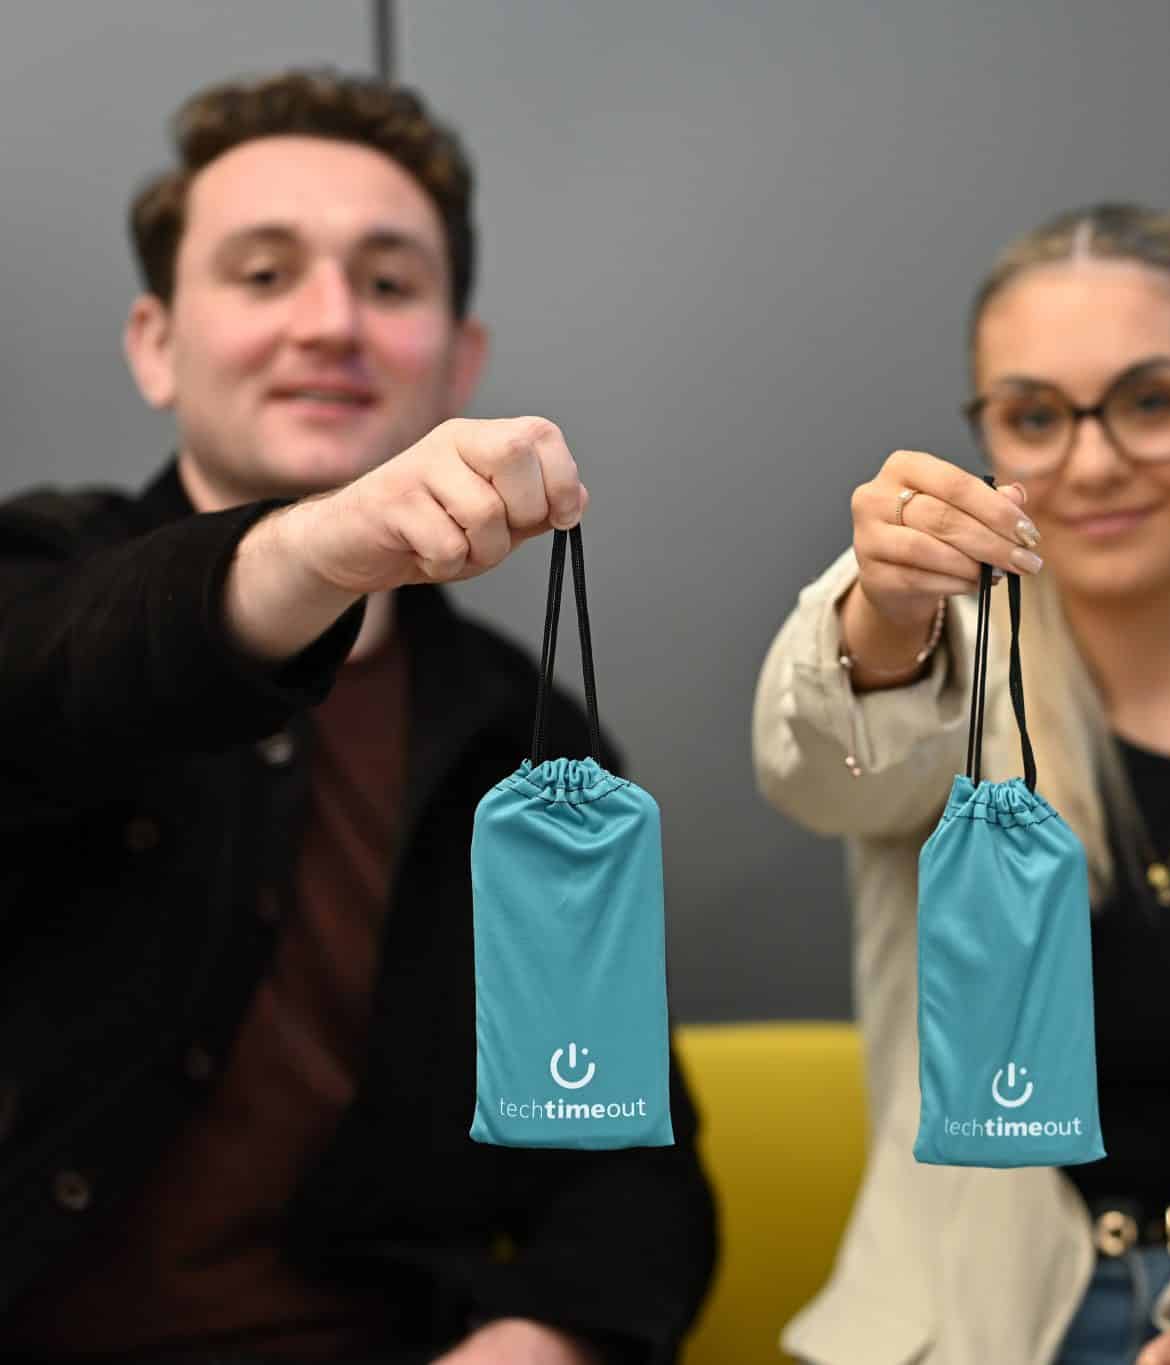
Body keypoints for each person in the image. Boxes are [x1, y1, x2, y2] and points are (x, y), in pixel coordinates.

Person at [0, 70, 715, 1364]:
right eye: (264, 275)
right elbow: (61, 675)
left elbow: (627, 1179)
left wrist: (546, 1334)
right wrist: (314, 550)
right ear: (157, 343)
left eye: (388, 284)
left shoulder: (526, 736)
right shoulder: (38, 580)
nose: (330, 323)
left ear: (461, 358)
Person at [755, 202, 1170, 1365]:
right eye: (1034, 417)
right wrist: (880, 614)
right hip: (966, 1333)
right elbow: (819, 772)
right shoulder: (940, 667)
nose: (1091, 460)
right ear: (987, 436)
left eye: (1149, 401)